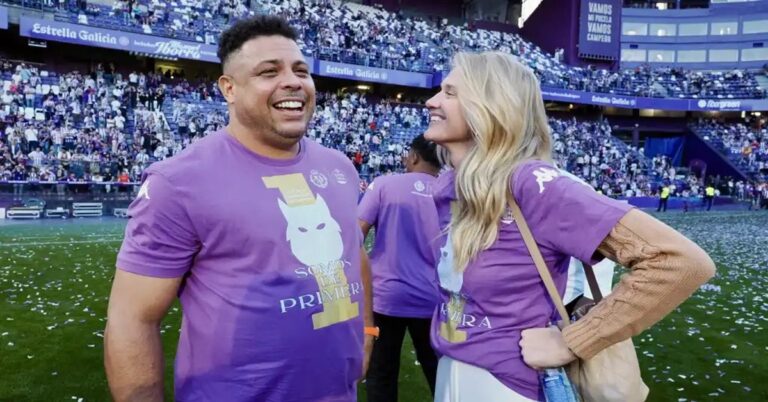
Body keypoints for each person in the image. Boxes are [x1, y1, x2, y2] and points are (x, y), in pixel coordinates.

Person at [104, 16, 375, 402]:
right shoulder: (178, 181)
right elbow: (133, 319)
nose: (293, 82)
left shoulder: (339, 167)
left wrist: (367, 329)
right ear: (229, 88)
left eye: (301, 70)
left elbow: (353, 252)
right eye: (269, 72)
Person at [423, 51, 716, 402]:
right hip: (452, 372)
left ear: (490, 107)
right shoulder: (454, 187)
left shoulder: (531, 183)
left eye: (450, 92)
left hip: (510, 385)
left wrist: (572, 341)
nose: (432, 101)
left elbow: (679, 260)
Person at [358, 134, 441, 401]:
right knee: (439, 373)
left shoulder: (385, 184)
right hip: (432, 298)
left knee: (381, 374)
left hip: (386, 297)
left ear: (414, 156)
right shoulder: (451, 191)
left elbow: (355, 235)